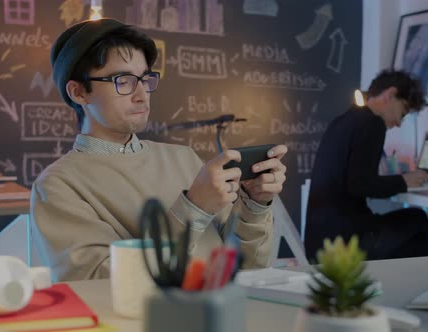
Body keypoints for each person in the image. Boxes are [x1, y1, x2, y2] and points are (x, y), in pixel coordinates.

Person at [31, 18, 287, 281]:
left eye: (145, 79)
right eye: (124, 80)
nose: (142, 94)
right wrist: (193, 209)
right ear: (79, 92)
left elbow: (249, 267)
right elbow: (96, 286)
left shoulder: (183, 158)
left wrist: (255, 204)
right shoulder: (57, 185)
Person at [305, 69, 428, 261]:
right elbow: (360, 185)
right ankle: (427, 288)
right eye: (403, 111)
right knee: (417, 219)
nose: (399, 123)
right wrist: (404, 181)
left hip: (318, 243)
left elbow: (353, 180)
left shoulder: (342, 121)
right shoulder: (372, 123)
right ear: (390, 95)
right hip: (345, 242)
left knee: (397, 227)